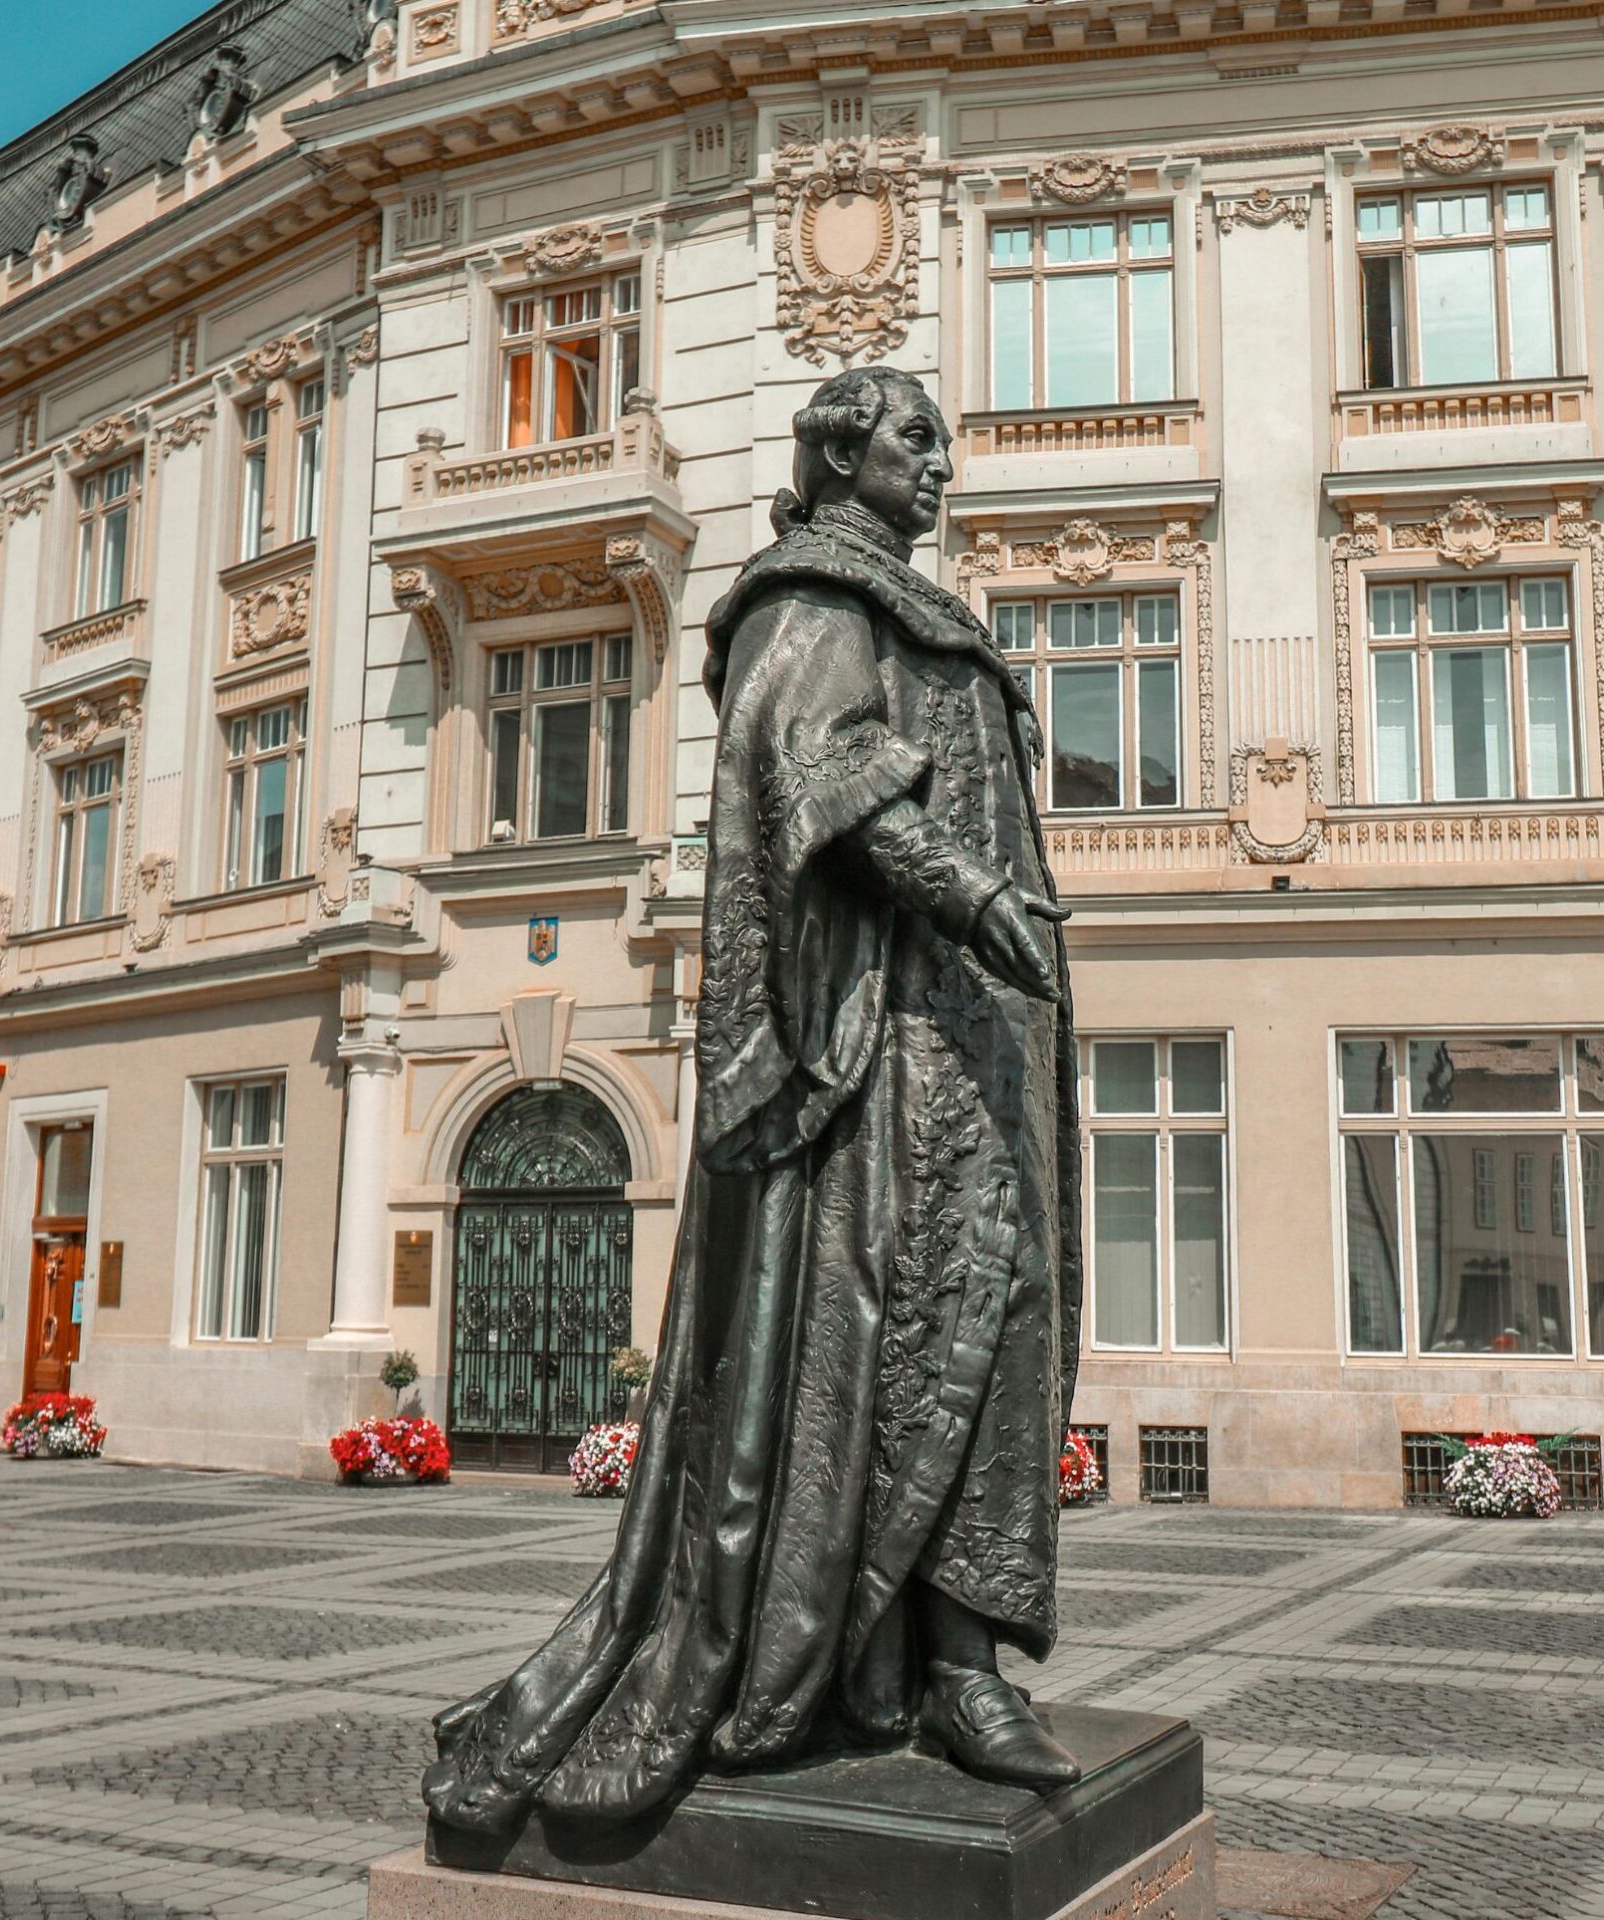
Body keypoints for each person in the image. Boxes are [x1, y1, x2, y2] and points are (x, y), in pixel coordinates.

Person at [424, 366, 1082, 1839]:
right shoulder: (804, 598)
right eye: (919, 436)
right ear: (842, 453)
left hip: (979, 1043)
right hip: (880, 1057)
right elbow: (814, 776)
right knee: (903, 1327)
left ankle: (961, 1664)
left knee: (1001, 1325)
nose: (943, 463)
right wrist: (973, 894)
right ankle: (851, 1658)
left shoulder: (927, 611)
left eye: (943, 438)